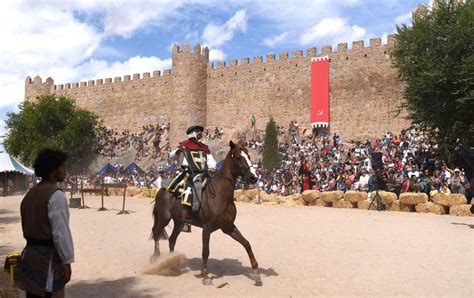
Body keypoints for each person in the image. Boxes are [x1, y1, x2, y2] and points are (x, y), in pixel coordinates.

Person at [16, 149, 74, 298]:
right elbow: (60, 233)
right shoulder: (56, 196)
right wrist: (67, 261)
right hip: (46, 262)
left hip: (30, 258)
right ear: (54, 169)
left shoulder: (30, 194)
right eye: (63, 166)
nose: (65, 170)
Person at [166, 125, 216, 232]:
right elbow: (171, 155)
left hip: (203, 174)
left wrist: (212, 167)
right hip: (189, 174)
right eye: (197, 131)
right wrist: (178, 152)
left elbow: (211, 160)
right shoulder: (185, 145)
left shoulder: (204, 147)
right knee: (188, 191)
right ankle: (185, 220)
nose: (199, 133)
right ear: (192, 133)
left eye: (200, 132)